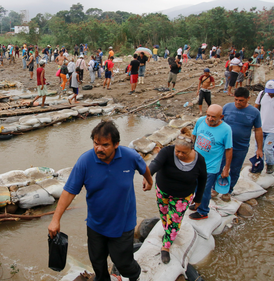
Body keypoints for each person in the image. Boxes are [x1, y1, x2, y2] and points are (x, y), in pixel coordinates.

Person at [48, 120, 153, 281]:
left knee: (123, 263)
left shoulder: (129, 156)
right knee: (97, 262)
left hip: (123, 224)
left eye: (105, 145)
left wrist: (149, 180)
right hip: (96, 224)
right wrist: (55, 219)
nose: (99, 148)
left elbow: (143, 167)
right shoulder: (85, 161)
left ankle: (135, 276)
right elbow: (69, 191)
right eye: (96, 143)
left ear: (116, 144)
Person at [149, 127, 207, 264]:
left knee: (175, 219)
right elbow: (155, 163)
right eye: (178, 151)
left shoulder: (199, 160)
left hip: (182, 197)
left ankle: (166, 246)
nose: (180, 154)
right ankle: (167, 232)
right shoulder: (167, 152)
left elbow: (203, 179)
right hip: (162, 191)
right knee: (164, 215)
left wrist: (198, 199)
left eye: (183, 152)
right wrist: (148, 176)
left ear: (192, 149)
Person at [189, 105, 232, 220]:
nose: (209, 119)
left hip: (211, 167)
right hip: (195, 162)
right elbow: (194, 135)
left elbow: (229, 149)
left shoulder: (226, 130)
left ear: (221, 117)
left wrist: (226, 168)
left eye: (213, 117)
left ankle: (203, 211)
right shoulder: (200, 121)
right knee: (194, 186)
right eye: (208, 115)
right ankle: (197, 203)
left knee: (204, 190)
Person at [221, 87, 263, 201]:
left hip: (241, 147)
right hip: (224, 146)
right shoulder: (227, 107)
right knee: (219, 167)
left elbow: (258, 130)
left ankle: (228, 191)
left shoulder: (254, 112)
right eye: (236, 100)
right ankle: (216, 188)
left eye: (241, 100)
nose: (238, 103)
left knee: (235, 170)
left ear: (248, 98)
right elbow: (219, 124)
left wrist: (259, 149)